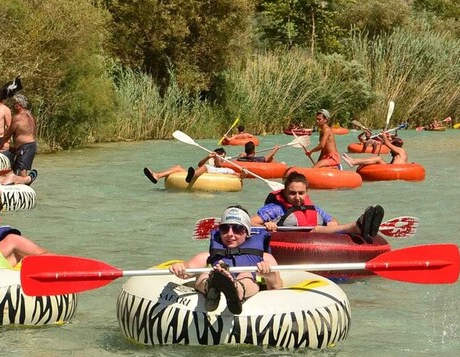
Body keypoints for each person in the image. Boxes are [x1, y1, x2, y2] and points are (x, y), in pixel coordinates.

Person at [168, 206, 282, 315]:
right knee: (206, 273)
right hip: (211, 283)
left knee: (246, 274)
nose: (230, 234)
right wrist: (181, 267)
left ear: (247, 232)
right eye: (224, 228)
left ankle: (236, 289)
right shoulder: (207, 256)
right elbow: (186, 271)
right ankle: (212, 286)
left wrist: (269, 275)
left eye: (237, 229)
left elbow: (277, 286)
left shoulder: (264, 258)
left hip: (245, 287)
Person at [252, 171, 384, 242]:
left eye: (301, 193)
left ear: (307, 192)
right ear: (285, 192)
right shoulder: (275, 208)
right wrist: (266, 226)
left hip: (314, 241)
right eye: (292, 193)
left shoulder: (313, 208)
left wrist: (333, 223)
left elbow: (332, 220)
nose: (297, 197)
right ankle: (355, 226)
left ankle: (358, 227)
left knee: (319, 228)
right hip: (289, 241)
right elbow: (251, 223)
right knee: (314, 230)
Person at [0, 94, 37, 185]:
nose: (12, 107)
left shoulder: (18, 117)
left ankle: (26, 183)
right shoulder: (30, 114)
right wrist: (15, 147)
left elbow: (8, 134)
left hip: (25, 147)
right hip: (28, 146)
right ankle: (22, 183)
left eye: (14, 104)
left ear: (18, 105)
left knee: (21, 169)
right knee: (17, 168)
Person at [142, 148, 237, 184]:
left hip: (209, 175)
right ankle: (157, 176)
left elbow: (220, 165)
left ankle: (192, 176)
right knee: (178, 167)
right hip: (198, 173)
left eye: (222, 157)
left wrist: (244, 173)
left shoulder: (226, 167)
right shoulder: (211, 163)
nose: (220, 158)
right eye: (218, 156)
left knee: (205, 167)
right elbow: (200, 164)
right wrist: (208, 157)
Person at [341, 131, 406, 168]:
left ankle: (353, 162)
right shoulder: (398, 153)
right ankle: (353, 160)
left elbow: (387, 143)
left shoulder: (400, 150)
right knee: (378, 158)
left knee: (379, 158)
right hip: (392, 168)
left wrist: (384, 135)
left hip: (395, 169)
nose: (391, 150)